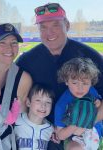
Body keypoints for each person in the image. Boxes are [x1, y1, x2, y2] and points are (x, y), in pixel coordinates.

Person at [16, 2, 103, 149]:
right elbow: (14, 97)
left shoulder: (90, 57)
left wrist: (82, 124)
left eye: (55, 25)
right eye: (43, 27)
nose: (49, 33)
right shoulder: (26, 61)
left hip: (84, 130)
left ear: (67, 25)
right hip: (44, 133)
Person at [54, 58, 102, 150]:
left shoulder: (91, 91)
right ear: (66, 81)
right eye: (75, 82)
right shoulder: (62, 104)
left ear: (91, 83)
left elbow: (99, 104)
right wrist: (75, 124)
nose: (80, 88)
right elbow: (60, 135)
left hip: (97, 133)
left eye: (85, 83)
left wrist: (98, 104)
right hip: (75, 138)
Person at [14, 84, 54, 150]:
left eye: (48, 102)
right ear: (28, 102)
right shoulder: (16, 120)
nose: (43, 105)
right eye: (38, 100)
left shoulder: (51, 129)